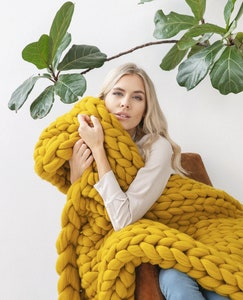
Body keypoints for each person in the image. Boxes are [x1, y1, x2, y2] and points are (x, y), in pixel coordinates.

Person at [68, 62, 228, 300]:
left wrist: (98, 150)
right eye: (118, 93)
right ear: (104, 99)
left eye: (137, 97)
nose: (125, 103)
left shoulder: (157, 147)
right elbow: (84, 215)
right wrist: (75, 175)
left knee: (214, 286)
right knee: (176, 280)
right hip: (134, 249)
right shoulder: (82, 141)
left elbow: (122, 219)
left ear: (145, 108)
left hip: (180, 237)